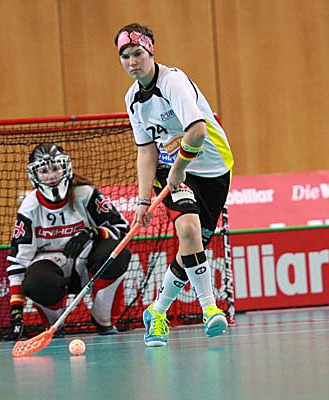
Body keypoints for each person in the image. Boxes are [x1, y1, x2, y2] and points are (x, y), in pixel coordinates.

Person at [114, 23, 234, 346]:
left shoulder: (173, 83)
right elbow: (146, 151)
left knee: (192, 247)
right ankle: (210, 308)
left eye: (137, 53)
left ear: (151, 51)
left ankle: (156, 311)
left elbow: (198, 131)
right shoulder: (132, 99)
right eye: (125, 56)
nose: (132, 62)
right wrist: (143, 200)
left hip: (213, 169)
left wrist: (179, 169)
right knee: (189, 230)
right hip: (170, 169)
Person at [4, 142, 131, 340]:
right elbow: (18, 264)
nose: (51, 176)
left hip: (87, 263)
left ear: (65, 167)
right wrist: (16, 315)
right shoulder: (29, 208)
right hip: (50, 268)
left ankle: (103, 320)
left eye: (55, 168)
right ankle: (55, 325)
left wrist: (94, 233)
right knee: (36, 282)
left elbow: (122, 229)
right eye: (43, 171)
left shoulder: (86, 193)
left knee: (117, 254)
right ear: (34, 175)